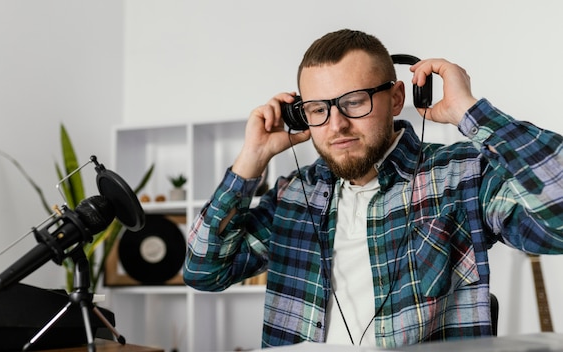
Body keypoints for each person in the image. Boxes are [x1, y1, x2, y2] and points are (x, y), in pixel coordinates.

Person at [183, 29, 563, 348]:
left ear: (396, 98)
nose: (337, 125)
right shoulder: (293, 195)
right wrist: (251, 160)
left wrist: (471, 112)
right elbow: (204, 271)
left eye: (354, 102)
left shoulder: (461, 176)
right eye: (318, 109)